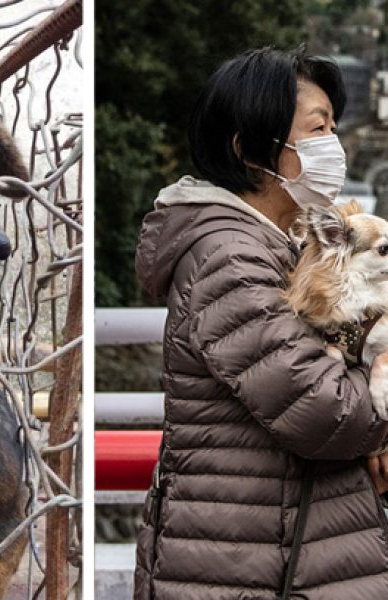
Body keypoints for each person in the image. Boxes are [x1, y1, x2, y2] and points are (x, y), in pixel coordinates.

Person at [133, 47, 388, 600]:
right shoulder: (230, 259)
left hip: (285, 552)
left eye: (334, 130)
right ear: (249, 149)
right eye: (318, 131)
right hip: (251, 564)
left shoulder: (282, 248)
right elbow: (329, 414)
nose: (334, 149)